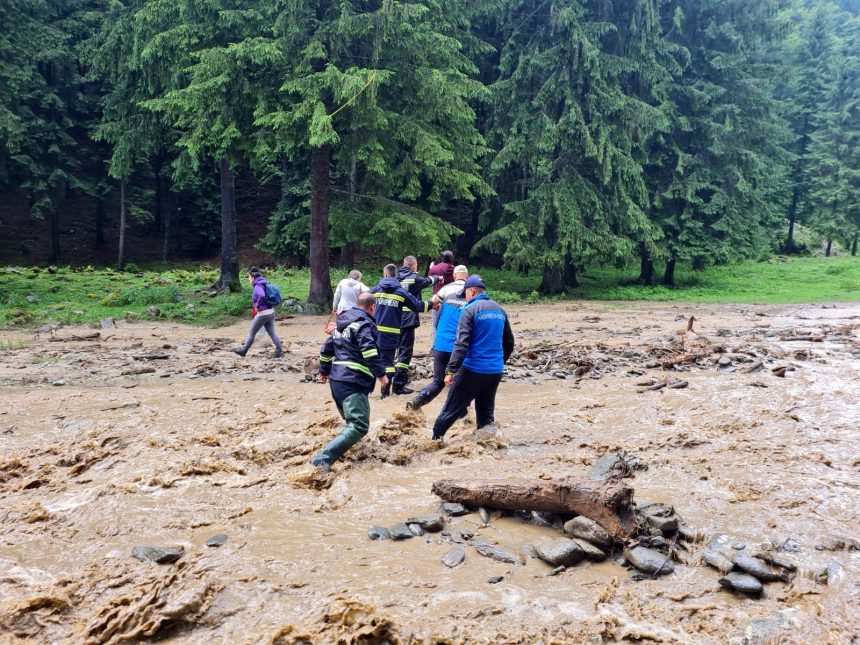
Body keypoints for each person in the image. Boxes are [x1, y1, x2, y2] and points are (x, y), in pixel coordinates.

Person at [311, 292, 388, 473]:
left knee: (352, 423)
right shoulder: (364, 324)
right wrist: (381, 374)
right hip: (352, 381)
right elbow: (369, 350)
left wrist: (324, 371)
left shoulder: (341, 323)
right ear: (372, 308)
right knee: (359, 425)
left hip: (337, 381)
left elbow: (326, 349)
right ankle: (322, 459)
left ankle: (351, 450)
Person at [431, 275, 515, 440]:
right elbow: (509, 342)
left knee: (450, 411)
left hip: (472, 370)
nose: (465, 297)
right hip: (494, 372)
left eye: (466, 293)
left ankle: (434, 443)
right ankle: (489, 446)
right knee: (485, 416)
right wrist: (499, 362)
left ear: (472, 291)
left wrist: (450, 371)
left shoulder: (469, 310)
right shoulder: (499, 309)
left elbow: (461, 344)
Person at [407, 265, 469, 411]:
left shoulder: (446, 292)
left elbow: (434, 309)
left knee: (438, 382)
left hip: (441, 344)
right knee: (461, 384)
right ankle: (462, 415)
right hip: (458, 348)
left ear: (454, 276)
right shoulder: (471, 300)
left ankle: (416, 402)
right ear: (467, 276)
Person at [370, 264, 433, 398]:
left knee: (371, 358)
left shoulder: (375, 290)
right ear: (396, 275)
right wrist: (433, 303)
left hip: (373, 332)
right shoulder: (400, 292)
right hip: (390, 333)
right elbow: (419, 306)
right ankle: (386, 393)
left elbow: (362, 303)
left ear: (385, 274)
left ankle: (367, 390)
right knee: (389, 363)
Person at [394, 256, 440, 395]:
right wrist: (438, 278)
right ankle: (399, 384)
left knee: (391, 350)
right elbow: (427, 281)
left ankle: (388, 381)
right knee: (405, 351)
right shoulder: (413, 278)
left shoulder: (395, 277)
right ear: (414, 266)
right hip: (407, 319)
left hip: (393, 318)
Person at [232, 268, 283, 358]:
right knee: (272, 333)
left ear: (253, 277)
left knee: (252, 332)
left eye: (249, 277)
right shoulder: (264, 283)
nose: (248, 279)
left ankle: (243, 350)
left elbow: (262, 295)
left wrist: (257, 306)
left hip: (263, 314)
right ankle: (279, 352)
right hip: (270, 312)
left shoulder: (258, 286)